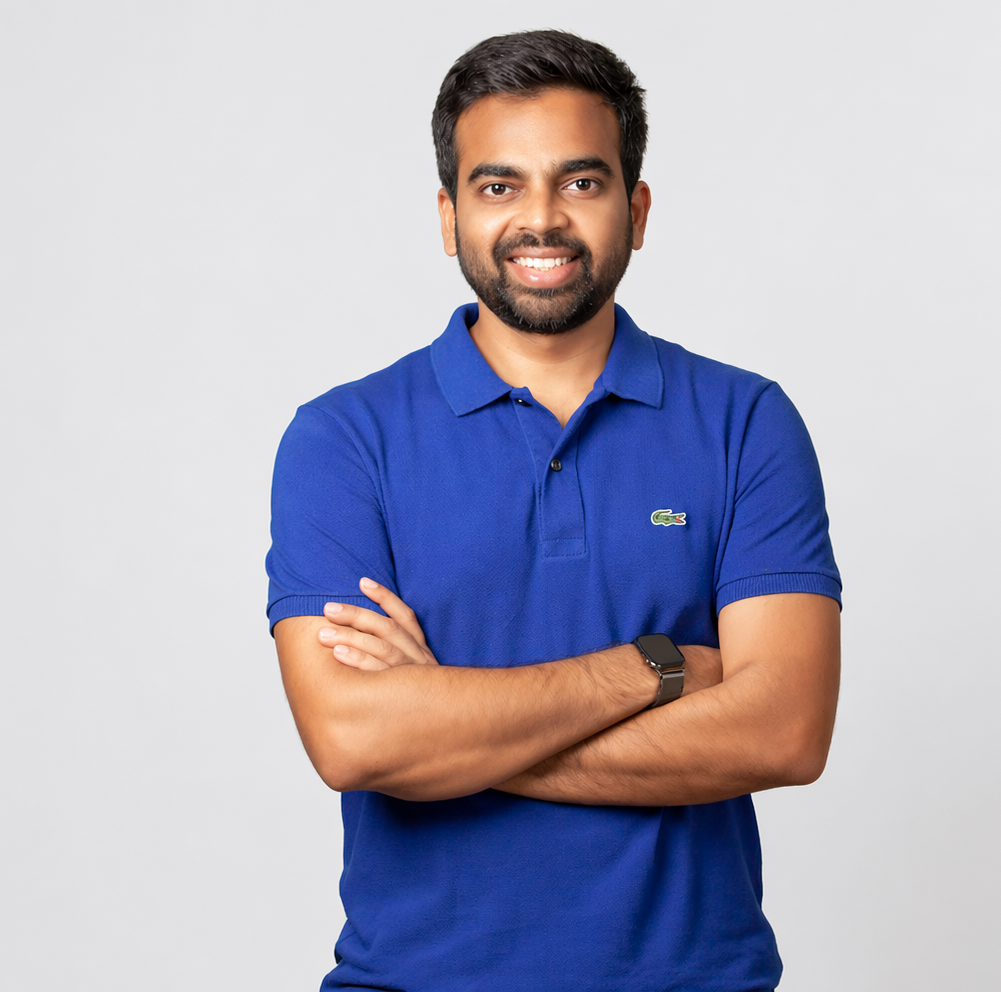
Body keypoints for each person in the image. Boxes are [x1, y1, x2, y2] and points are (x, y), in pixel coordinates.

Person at [267, 29, 842, 992]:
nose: (541, 219)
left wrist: (450, 729)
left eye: (581, 182)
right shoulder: (343, 439)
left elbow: (782, 730)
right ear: (449, 215)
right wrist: (653, 668)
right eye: (499, 186)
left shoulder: (745, 422)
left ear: (636, 209)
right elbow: (354, 740)